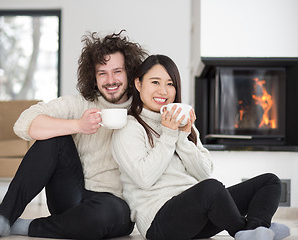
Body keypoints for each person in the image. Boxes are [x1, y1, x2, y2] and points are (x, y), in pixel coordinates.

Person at [0, 30, 148, 240]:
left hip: (114, 205)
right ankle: (3, 218)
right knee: (54, 138)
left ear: (129, 73)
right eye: (102, 73)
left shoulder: (142, 111)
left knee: (104, 216)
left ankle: (24, 227)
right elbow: (23, 123)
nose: (110, 80)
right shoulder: (81, 103)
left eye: (117, 71)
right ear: (93, 78)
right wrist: (77, 125)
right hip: (72, 195)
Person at [111, 54, 291, 240]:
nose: (163, 91)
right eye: (155, 82)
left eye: (170, 84)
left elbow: (204, 173)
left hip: (198, 213)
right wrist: (169, 135)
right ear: (139, 84)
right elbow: (144, 178)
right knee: (211, 189)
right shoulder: (128, 128)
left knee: (270, 181)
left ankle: (256, 229)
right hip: (160, 222)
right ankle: (243, 231)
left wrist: (182, 138)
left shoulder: (181, 121)